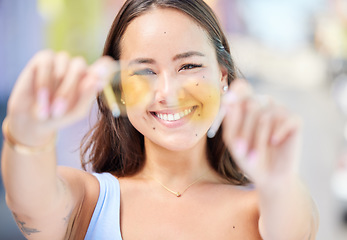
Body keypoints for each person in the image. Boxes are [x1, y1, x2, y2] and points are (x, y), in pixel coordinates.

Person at [1, 0, 319, 239]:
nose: (168, 92)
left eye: (189, 66)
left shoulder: (267, 205)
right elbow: (29, 202)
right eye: (144, 71)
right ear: (120, 88)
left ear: (223, 75)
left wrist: (277, 181)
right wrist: (27, 133)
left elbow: (295, 229)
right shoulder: (89, 201)